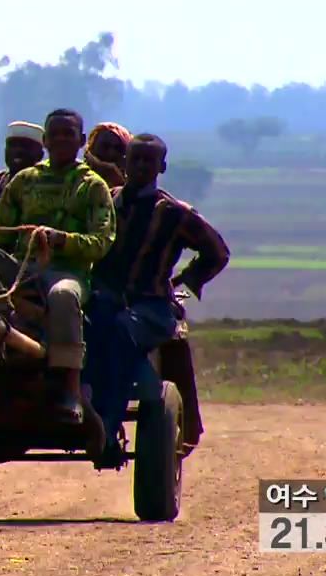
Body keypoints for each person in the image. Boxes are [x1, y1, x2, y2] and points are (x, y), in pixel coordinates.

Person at [0, 108, 116, 426]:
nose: (60, 139)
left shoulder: (93, 186)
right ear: (44, 140)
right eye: (54, 134)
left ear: (81, 141)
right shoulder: (24, 182)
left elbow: (102, 241)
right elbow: (1, 235)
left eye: (67, 134)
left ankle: (70, 389)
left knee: (62, 297)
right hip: (19, 270)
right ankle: (0, 324)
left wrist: (60, 239)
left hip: (68, 273)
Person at [85, 133, 230, 468]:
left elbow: (217, 252)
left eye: (149, 160)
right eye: (135, 159)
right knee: (85, 323)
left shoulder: (174, 213)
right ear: (124, 162)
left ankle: (105, 426)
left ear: (161, 166)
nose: (140, 166)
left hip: (151, 309)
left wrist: (187, 279)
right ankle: (80, 401)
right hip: (104, 301)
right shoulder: (106, 202)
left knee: (119, 330)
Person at [84, 122, 133, 188]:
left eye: (118, 149)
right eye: (105, 146)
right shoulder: (74, 178)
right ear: (91, 148)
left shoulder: (136, 191)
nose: (111, 153)